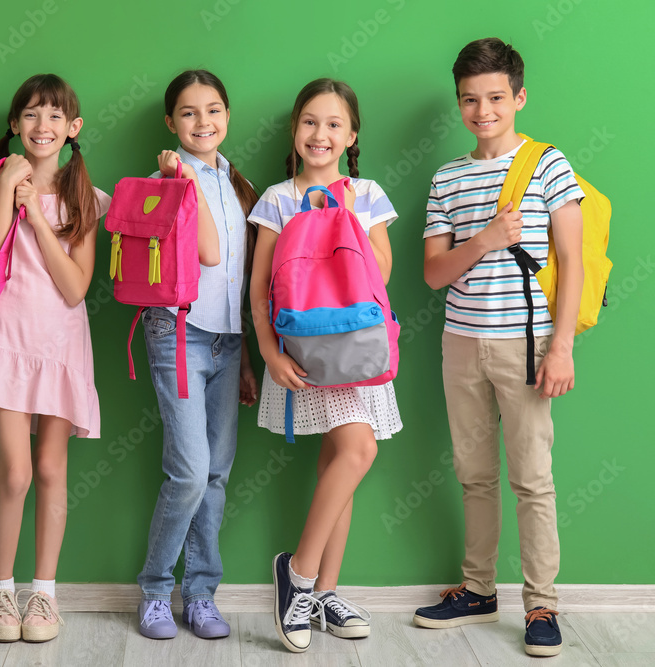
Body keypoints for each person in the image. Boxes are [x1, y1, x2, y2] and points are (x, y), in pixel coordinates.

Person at [414, 38, 583, 658]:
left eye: (493, 98)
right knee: (475, 475)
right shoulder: (448, 177)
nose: (481, 110)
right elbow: (434, 273)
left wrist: (560, 346)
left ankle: (541, 604)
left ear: (518, 96)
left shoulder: (548, 165)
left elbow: (573, 261)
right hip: (461, 341)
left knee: (533, 479)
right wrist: (484, 237)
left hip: (528, 345)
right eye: (468, 100)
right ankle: (478, 589)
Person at [248, 78, 401, 654]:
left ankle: (318, 591)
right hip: (305, 354)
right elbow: (260, 286)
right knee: (359, 451)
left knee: (346, 459)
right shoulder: (276, 198)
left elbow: (379, 274)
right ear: (294, 129)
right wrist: (267, 349)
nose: (321, 133)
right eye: (310, 121)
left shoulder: (368, 193)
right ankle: (301, 576)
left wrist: (348, 220)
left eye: (334, 124)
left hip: (359, 348)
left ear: (352, 134)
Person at [0, 74, 109, 644]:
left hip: (62, 345)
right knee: (16, 471)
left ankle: (43, 596)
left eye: (54, 116)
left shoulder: (86, 199)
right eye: (30, 115)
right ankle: (0, 589)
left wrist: (38, 218)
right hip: (8, 339)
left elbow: (75, 288)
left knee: (51, 470)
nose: (42, 126)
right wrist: (8, 191)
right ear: (14, 125)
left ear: (73, 129)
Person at [136, 70, 260, 641]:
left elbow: (244, 279)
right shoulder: (164, 179)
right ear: (171, 123)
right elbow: (207, 254)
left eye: (213, 110)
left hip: (228, 341)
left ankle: (201, 595)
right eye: (188, 113)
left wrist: (250, 359)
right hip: (177, 332)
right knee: (187, 471)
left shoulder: (241, 185)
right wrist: (183, 175)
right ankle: (156, 591)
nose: (202, 122)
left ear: (228, 116)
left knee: (215, 474)